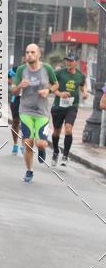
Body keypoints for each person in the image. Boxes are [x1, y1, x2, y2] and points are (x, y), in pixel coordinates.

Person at [11, 43, 58, 183]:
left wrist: (48, 91)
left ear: (38, 54)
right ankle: (29, 170)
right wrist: (20, 85)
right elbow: (13, 90)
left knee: (41, 143)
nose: (29, 54)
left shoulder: (47, 69)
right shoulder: (21, 70)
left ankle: (42, 150)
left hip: (42, 112)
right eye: (27, 52)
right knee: (28, 142)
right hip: (25, 110)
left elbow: (56, 84)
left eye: (32, 52)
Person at [50, 53, 88, 167]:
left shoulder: (80, 75)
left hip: (72, 106)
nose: (68, 63)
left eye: (70, 61)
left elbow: (82, 85)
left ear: (76, 62)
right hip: (58, 107)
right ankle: (56, 151)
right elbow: (50, 86)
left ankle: (65, 155)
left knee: (68, 129)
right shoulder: (59, 73)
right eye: (67, 60)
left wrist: (84, 92)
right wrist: (60, 94)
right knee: (56, 131)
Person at [8, 63, 24, 154]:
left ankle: (23, 144)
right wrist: (12, 83)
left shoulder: (32, 71)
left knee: (26, 122)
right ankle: (15, 144)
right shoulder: (14, 69)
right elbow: (5, 77)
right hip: (16, 98)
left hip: (27, 99)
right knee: (15, 121)